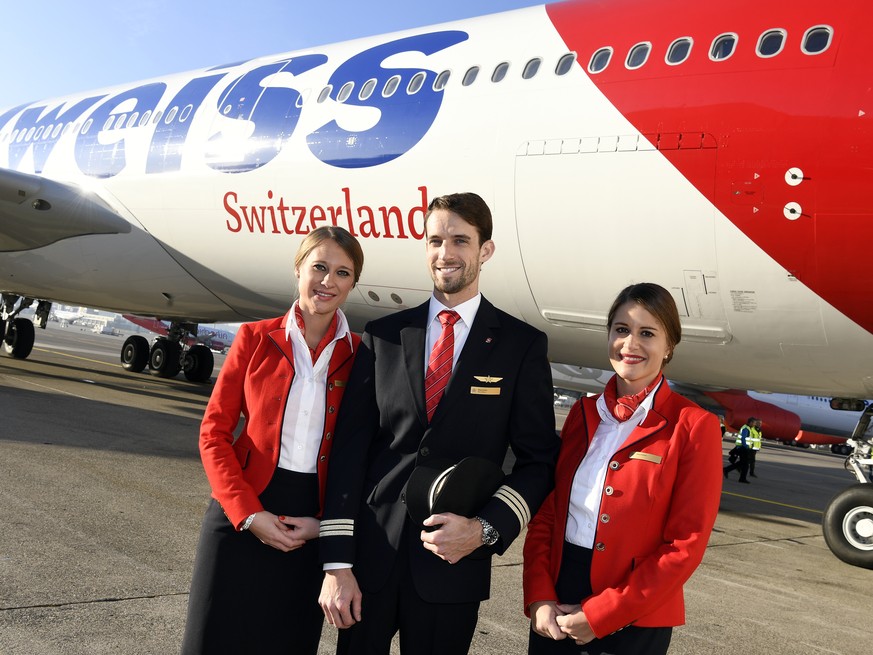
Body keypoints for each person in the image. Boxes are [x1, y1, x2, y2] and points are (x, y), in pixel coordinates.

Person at [318, 192, 560, 655]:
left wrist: (484, 529)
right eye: (435, 240)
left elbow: (539, 461)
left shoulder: (520, 345)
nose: (445, 253)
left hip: (453, 564)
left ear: (484, 251)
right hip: (371, 560)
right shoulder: (384, 336)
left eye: (460, 241)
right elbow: (348, 453)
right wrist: (336, 562)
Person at [181, 226, 365, 654]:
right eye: (318, 267)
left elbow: (362, 455)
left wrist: (326, 526)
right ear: (298, 268)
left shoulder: (361, 356)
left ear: (352, 284)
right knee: (209, 640)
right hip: (240, 511)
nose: (327, 281)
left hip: (309, 528)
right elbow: (214, 433)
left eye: (342, 272)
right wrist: (247, 514)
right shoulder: (254, 337)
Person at [522, 282, 723, 655]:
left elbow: (685, 545)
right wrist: (538, 596)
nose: (630, 344)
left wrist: (604, 614)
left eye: (647, 333)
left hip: (636, 615)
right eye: (621, 330)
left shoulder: (694, 426)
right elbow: (549, 516)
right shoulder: (583, 415)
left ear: (669, 347)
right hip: (556, 606)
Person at [724, 417, 754, 483]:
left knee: (741, 463)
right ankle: (742, 478)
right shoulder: (746, 428)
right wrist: (746, 446)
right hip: (743, 448)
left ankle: (726, 470)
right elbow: (743, 439)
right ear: (750, 422)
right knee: (745, 464)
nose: (754, 424)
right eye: (753, 423)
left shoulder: (747, 428)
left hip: (742, 448)